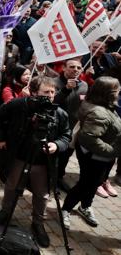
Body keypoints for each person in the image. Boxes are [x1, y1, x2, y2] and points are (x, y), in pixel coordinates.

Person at [0, 76, 71, 248]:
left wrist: (56, 145)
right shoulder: (19, 105)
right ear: (34, 92)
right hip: (19, 157)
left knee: (42, 195)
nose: (50, 95)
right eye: (45, 92)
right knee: (12, 186)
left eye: (52, 92)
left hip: (43, 162)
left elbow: (66, 136)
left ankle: (38, 223)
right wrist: (0, 137)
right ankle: (5, 212)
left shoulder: (60, 113)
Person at [61, 77, 121, 229]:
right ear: (109, 93)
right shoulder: (99, 111)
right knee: (86, 184)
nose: (119, 94)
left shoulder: (102, 105)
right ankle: (66, 209)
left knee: (94, 183)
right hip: (96, 155)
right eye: (117, 91)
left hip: (102, 156)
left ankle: (86, 205)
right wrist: (111, 151)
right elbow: (89, 138)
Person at [53, 59, 88, 189]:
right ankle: (50, 178)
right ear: (63, 68)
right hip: (57, 126)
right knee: (55, 154)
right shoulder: (54, 82)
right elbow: (53, 102)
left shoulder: (84, 85)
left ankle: (59, 177)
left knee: (66, 154)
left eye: (79, 67)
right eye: (72, 67)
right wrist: (66, 89)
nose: (75, 70)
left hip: (73, 127)